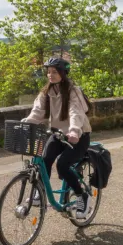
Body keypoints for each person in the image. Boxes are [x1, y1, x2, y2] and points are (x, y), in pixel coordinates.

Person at [22, 57, 93, 219]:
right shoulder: (46, 92)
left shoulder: (73, 91)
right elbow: (37, 112)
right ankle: (40, 193)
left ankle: (83, 196)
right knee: (44, 160)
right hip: (58, 134)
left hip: (78, 137)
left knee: (62, 165)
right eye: (48, 72)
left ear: (63, 73)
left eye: (54, 72)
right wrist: (27, 122)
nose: (50, 75)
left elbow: (76, 112)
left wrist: (74, 130)